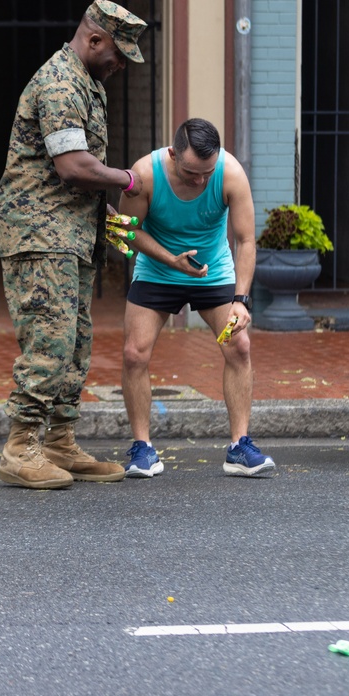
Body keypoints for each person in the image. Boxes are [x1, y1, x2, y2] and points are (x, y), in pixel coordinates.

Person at [0, 0, 147, 490]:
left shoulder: (88, 85)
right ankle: (20, 448)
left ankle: (59, 441)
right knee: (50, 342)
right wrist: (128, 180)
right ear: (94, 39)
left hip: (69, 235)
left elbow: (67, 176)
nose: (120, 64)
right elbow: (73, 167)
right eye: (118, 54)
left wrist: (104, 217)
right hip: (40, 237)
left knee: (76, 343)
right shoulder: (61, 83)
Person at [119, 118, 276, 478]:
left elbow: (246, 240)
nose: (200, 181)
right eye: (192, 173)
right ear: (173, 155)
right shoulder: (146, 174)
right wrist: (171, 260)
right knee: (134, 353)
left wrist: (241, 299)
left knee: (238, 346)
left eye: (207, 173)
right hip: (159, 269)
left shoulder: (230, 173)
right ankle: (143, 450)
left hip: (213, 273)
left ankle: (239, 446)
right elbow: (123, 232)